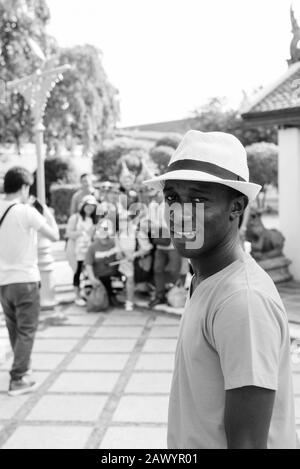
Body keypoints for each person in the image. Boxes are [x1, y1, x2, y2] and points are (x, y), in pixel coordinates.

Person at [145, 130, 297, 449]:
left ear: (236, 207)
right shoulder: (205, 278)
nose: (181, 213)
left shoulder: (242, 301)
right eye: (172, 197)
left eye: (199, 200)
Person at [0, 167, 59, 396]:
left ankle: (21, 369)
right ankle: (18, 379)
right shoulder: (26, 212)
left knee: (14, 328)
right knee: (26, 330)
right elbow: (54, 236)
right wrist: (47, 213)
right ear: (24, 187)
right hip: (25, 279)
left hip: (3, 282)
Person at [148, 192, 182, 307]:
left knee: (174, 270)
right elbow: (150, 224)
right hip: (159, 244)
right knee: (157, 270)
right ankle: (159, 296)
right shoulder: (152, 206)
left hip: (173, 245)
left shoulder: (172, 205)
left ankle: (173, 294)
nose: (154, 196)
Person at [66, 195, 98, 306]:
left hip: (89, 251)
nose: (90, 208)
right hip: (77, 250)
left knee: (89, 272)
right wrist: (81, 232)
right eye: (87, 205)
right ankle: (77, 295)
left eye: (92, 206)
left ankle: (88, 294)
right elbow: (68, 233)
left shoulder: (94, 220)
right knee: (77, 272)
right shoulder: (75, 218)